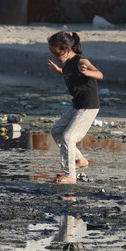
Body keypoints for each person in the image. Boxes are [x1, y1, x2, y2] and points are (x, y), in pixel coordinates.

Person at [47, 31, 104, 184]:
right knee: (57, 131)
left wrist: (88, 71)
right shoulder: (67, 65)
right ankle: (80, 160)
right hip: (77, 106)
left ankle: (70, 176)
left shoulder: (80, 61)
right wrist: (58, 70)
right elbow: (67, 73)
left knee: (68, 138)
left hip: (88, 107)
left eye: (56, 53)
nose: (54, 57)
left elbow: (100, 74)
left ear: (66, 49)